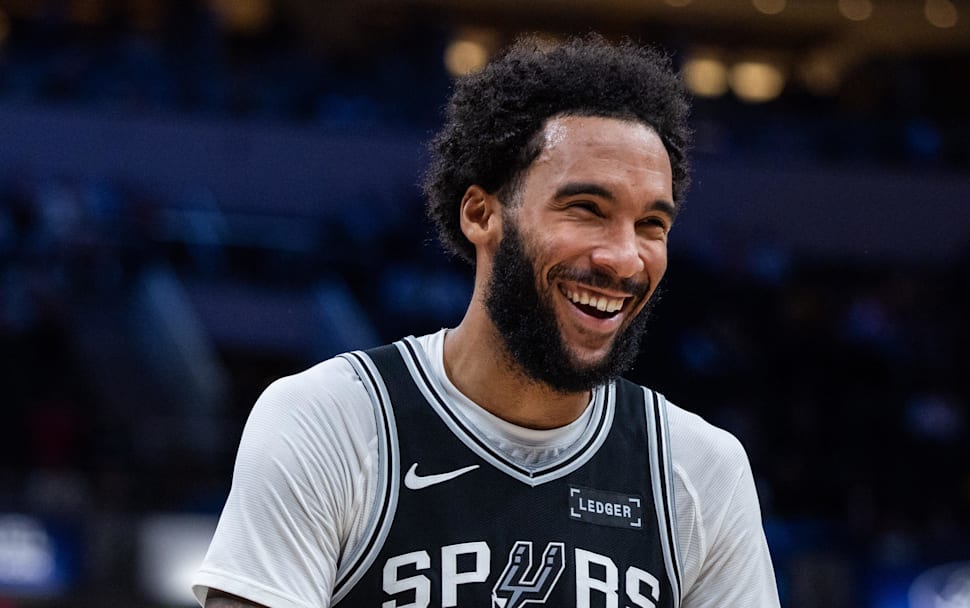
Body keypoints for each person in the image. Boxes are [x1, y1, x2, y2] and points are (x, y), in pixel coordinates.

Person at [193, 34, 780, 608]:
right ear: (481, 214)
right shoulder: (331, 420)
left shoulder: (700, 469)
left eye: (652, 224)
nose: (624, 258)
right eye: (586, 209)